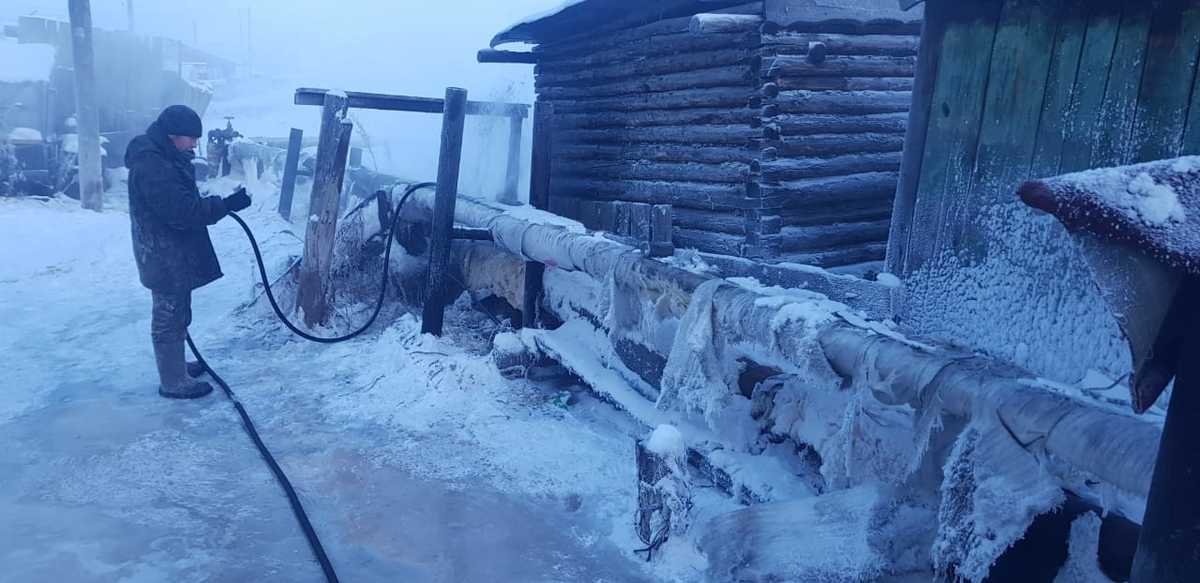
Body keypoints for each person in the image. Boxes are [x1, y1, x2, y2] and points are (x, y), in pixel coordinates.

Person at [125, 105, 252, 399]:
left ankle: (177, 366)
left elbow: (181, 200)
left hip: (171, 249)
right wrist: (226, 205)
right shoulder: (152, 165)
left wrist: (218, 201)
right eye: (191, 138)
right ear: (172, 136)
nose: (195, 144)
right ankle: (173, 381)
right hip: (162, 251)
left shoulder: (166, 157)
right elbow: (182, 212)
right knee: (169, 314)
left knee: (179, 309)